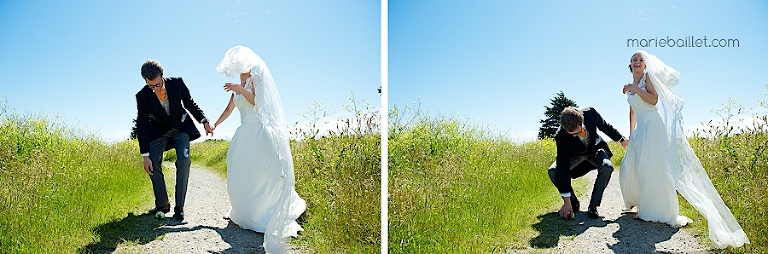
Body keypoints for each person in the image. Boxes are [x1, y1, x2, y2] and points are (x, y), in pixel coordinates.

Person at [619, 50, 749, 248]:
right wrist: (630, 134)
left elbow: (653, 100)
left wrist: (635, 89)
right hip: (641, 130)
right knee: (633, 165)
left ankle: (655, 210)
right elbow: (632, 110)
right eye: (634, 59)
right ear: (630, 63)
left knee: (651, 168)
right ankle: (636, 201)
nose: (637, 62)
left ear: (645, 65)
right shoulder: (630, 86)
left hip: (653, 127)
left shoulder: (647, 79)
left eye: (641, 60)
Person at [211, 45, 307, 253]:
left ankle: (263, 213)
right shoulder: (239, 85)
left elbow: (259, 103)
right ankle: (242, 212)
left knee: (259, 173)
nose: (238, 68)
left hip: (258, 131)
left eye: (240, 65)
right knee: (240, 172)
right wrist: (215, 124)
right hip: (244, 132)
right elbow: (229, 109)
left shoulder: (256, 80)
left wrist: (240, 89)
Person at [135, 59, 213, 221]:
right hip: (158, 131)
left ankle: (180, 208)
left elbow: (190, 104)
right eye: (152, 86)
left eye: (158, 84)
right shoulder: (142, 96)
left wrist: (204, 121)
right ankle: (162, 204)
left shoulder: (177, 83)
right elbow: (142, 126)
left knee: (184, 161)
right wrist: (145, 156)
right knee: (153, 163)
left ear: (162, 76)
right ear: (146, 82)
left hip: (181, 128)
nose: (156, 89)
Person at [548, 106, 629, 219]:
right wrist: (566, 201)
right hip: (574, 155)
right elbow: (563, 166)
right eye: (572, 135)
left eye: (578, 132)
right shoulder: (561, 136)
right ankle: (572, 202)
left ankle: (593, 205)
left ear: (582, 121)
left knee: (607, 167)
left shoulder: (590, 113)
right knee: (553, 171)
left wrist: (622, 139)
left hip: (595, 150)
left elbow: (605, 126)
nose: (576, 136)